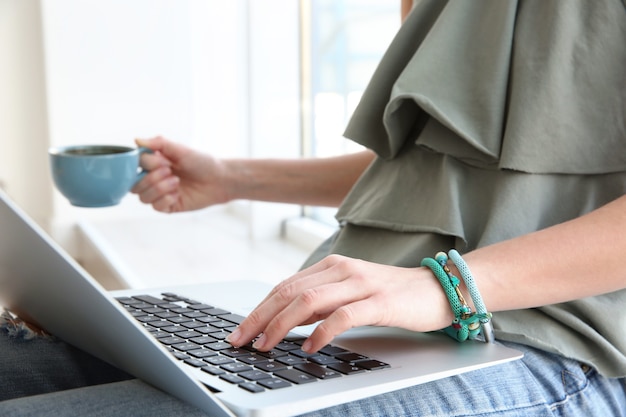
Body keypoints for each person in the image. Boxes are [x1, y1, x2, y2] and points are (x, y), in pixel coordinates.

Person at [1, 0, 625, 416]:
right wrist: (229, 179)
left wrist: (449, 285)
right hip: (352, 324)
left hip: (555, 345)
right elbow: (440, 165)